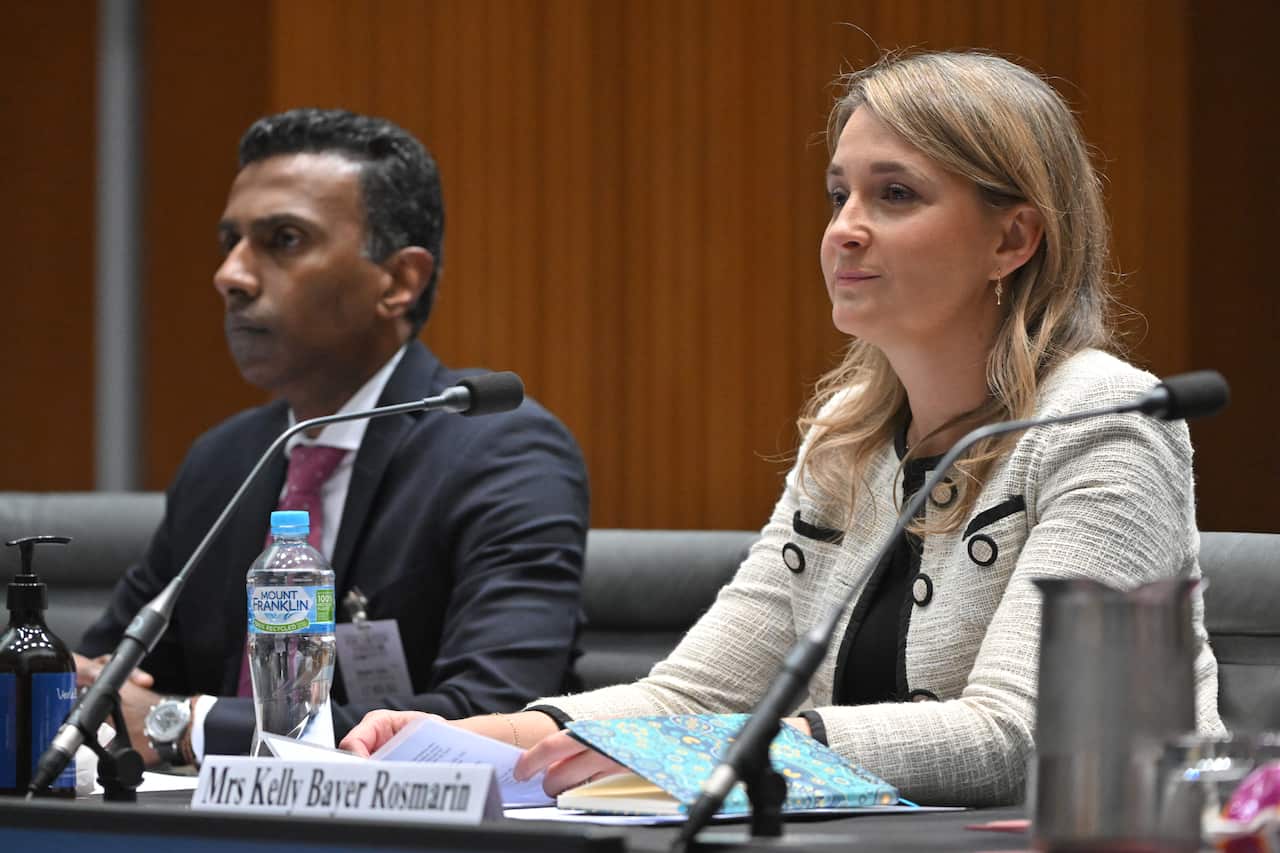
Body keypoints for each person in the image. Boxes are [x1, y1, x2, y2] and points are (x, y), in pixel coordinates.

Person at [340, 51, 1225, 806]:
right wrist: (474, 732)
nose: (845, 229)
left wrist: (716, 752)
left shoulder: (1107, 421)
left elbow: (1016, 736)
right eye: (840, 193)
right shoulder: (848, 436)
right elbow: (696, 690)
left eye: (896, 194)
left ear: (1014, 239)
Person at [77, 109, 590, 768]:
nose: (230, 275)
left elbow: (494, 715)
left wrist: (192, 724)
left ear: (399, 281)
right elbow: (111, 679)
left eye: (282, 239)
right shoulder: (225, 459)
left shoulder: (502, 452)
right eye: (230, 240)